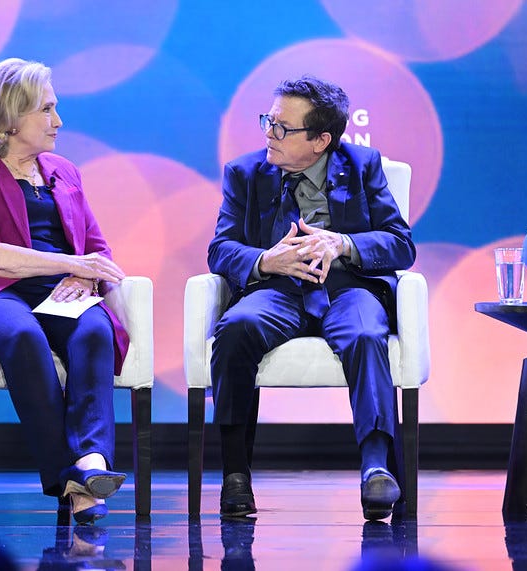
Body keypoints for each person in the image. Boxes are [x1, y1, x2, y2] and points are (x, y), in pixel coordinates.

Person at [207, 75, 416, 520]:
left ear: (322, 140)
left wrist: (341, 243)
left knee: (364, 333)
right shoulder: (244, 173)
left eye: (282, 127)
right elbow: (220, 249)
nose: (269, 133)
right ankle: (235, 473)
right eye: (268, 121)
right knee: (237, 328)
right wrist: (267, 260)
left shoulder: (363, 165)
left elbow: (401, 244)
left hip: (349, 286)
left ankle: (376, 468)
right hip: (277, 289)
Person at [0, 58, 129, 525]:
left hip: (60, 287)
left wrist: (86, 275)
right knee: (22, 335)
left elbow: (95, 246)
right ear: (10, 115)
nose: (57, 122)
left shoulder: (62, 170)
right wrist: (70, 263)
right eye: (46, 110)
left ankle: (91, 462)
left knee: (92, 331)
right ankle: (69, 478)